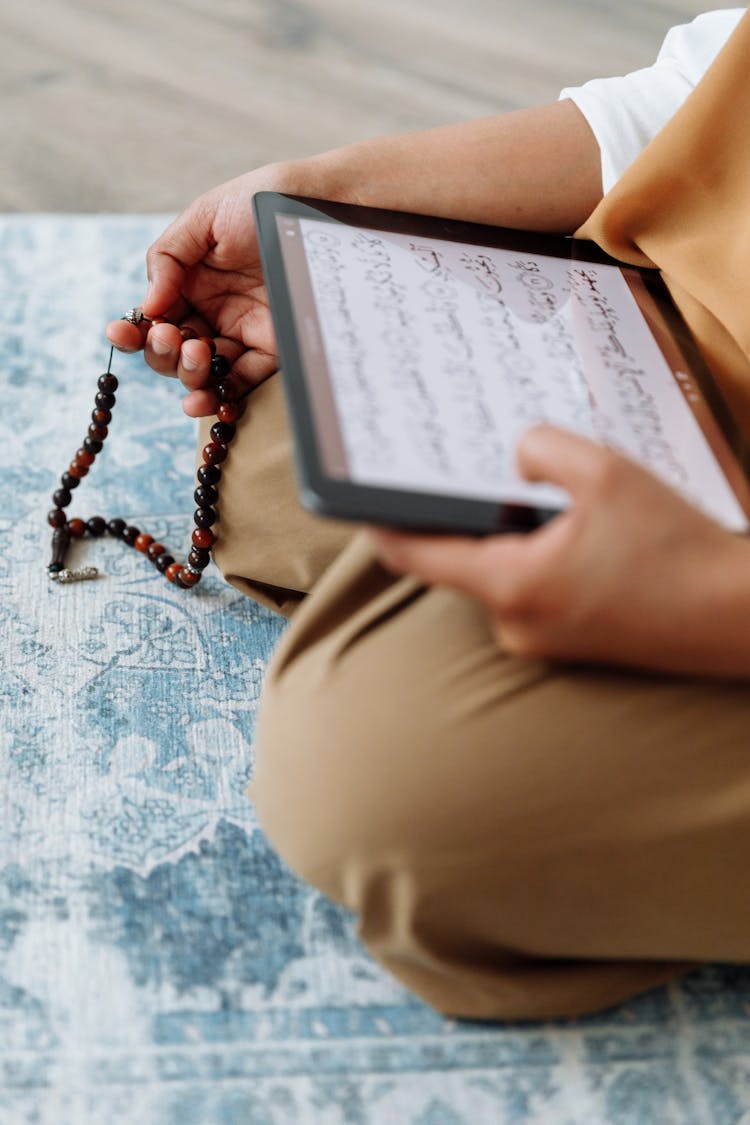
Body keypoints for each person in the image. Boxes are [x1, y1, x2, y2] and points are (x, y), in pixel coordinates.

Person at [107, 8, 750, 1022]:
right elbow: (707, 102)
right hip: (709, 324)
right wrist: (334, 196)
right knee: (280, 440)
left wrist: (712, 600)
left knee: (382, 795)